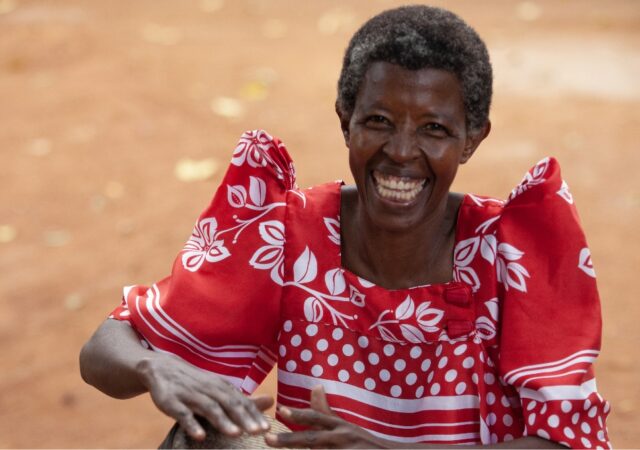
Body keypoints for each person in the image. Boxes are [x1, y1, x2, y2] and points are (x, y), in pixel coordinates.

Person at [79, 5, 611, 449]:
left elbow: (570, 442)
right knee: (205, 437)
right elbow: (103, 349)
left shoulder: (511, 255)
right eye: (378, 121)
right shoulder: (289, 235)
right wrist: (157, 370)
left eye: (435, 129)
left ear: (472, 139)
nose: (401, 151)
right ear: (344, 119)